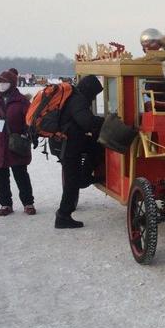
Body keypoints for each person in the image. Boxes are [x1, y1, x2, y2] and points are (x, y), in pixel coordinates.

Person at [0, 69, 36, 216]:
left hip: (15, 145)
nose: (1, 84)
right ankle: (5, 204)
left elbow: (30, 121)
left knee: (21, 175)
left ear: (12, 84)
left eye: (4, 82)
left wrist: (29, 135)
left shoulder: (22, 101)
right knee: (0, 177)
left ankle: (28, 203)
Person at [52, 75, 104, 229]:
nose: (93, 98)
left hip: (66, 143)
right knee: (72, 182)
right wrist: (104, 121)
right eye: (94, 94)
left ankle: (84, 177)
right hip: (68, 145)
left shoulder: (74, 96)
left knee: (94, 146)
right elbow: (86, 122)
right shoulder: (78, 100)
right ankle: (63, 215)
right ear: (89, 90)